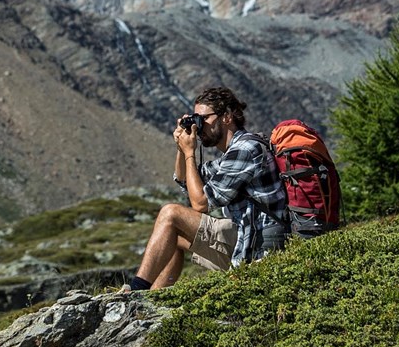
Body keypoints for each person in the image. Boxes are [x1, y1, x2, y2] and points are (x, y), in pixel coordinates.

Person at [119, 87, 288, 292]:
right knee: (174, 237)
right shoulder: (231, 155)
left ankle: (136, 291)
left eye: (203, 119)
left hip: (260, 248)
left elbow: (201, 204)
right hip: (247, 235)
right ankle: (151, 297)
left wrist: (190, 152)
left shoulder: (245, 150)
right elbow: (185, 179)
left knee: (170, 213)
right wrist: (182, 149)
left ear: (226, 117)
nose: (199, 127)